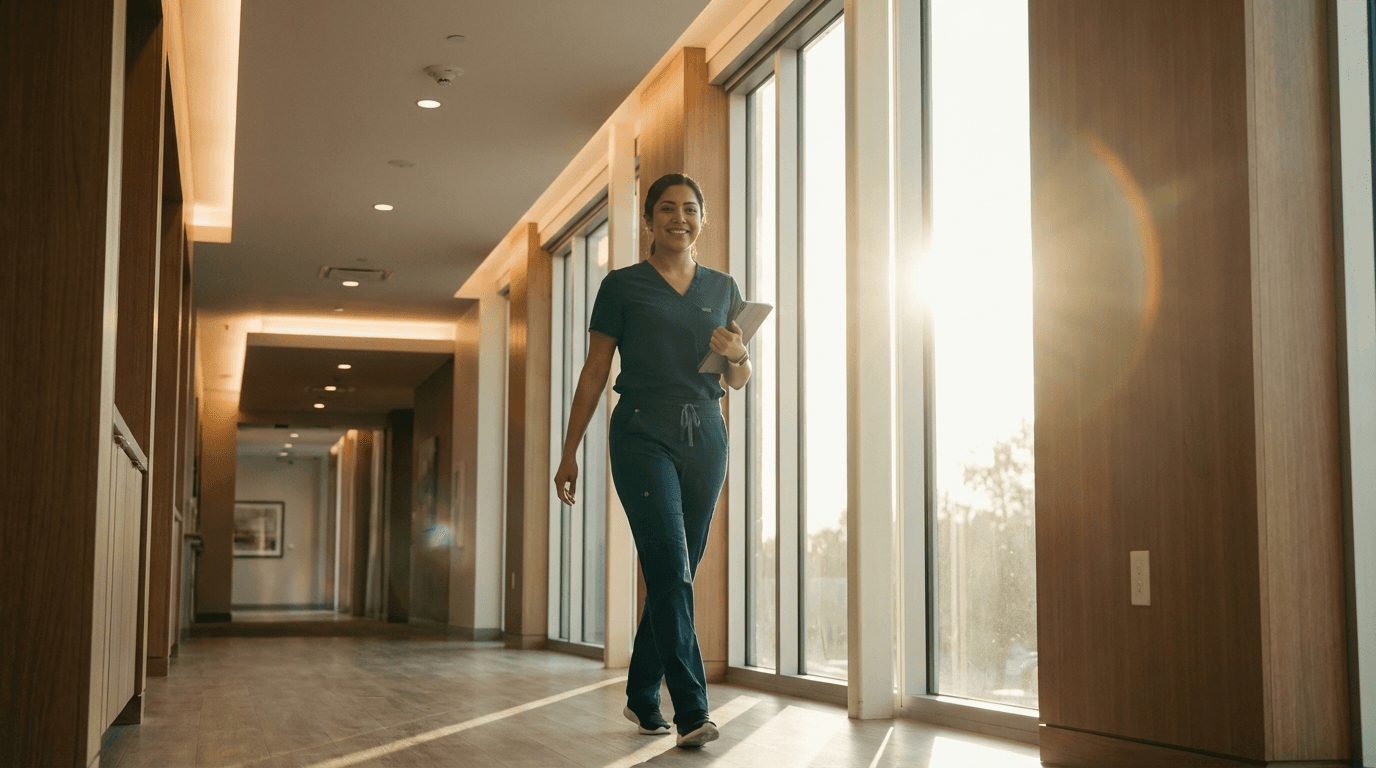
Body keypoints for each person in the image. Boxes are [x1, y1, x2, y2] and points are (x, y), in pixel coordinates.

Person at [553, 173, 751, 749]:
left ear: (702, 219)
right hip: (641, 433)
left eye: (690, 209)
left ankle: (642, 695)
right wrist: (569, 451)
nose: (679, 218)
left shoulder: (723, 287)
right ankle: (692, 710)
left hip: (705, 434)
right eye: (667, 209)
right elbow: (594, 372)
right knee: (669, 567)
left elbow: (737, 379)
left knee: (675, 575)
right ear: (648, 220)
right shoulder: (621, 286)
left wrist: (738, 354)